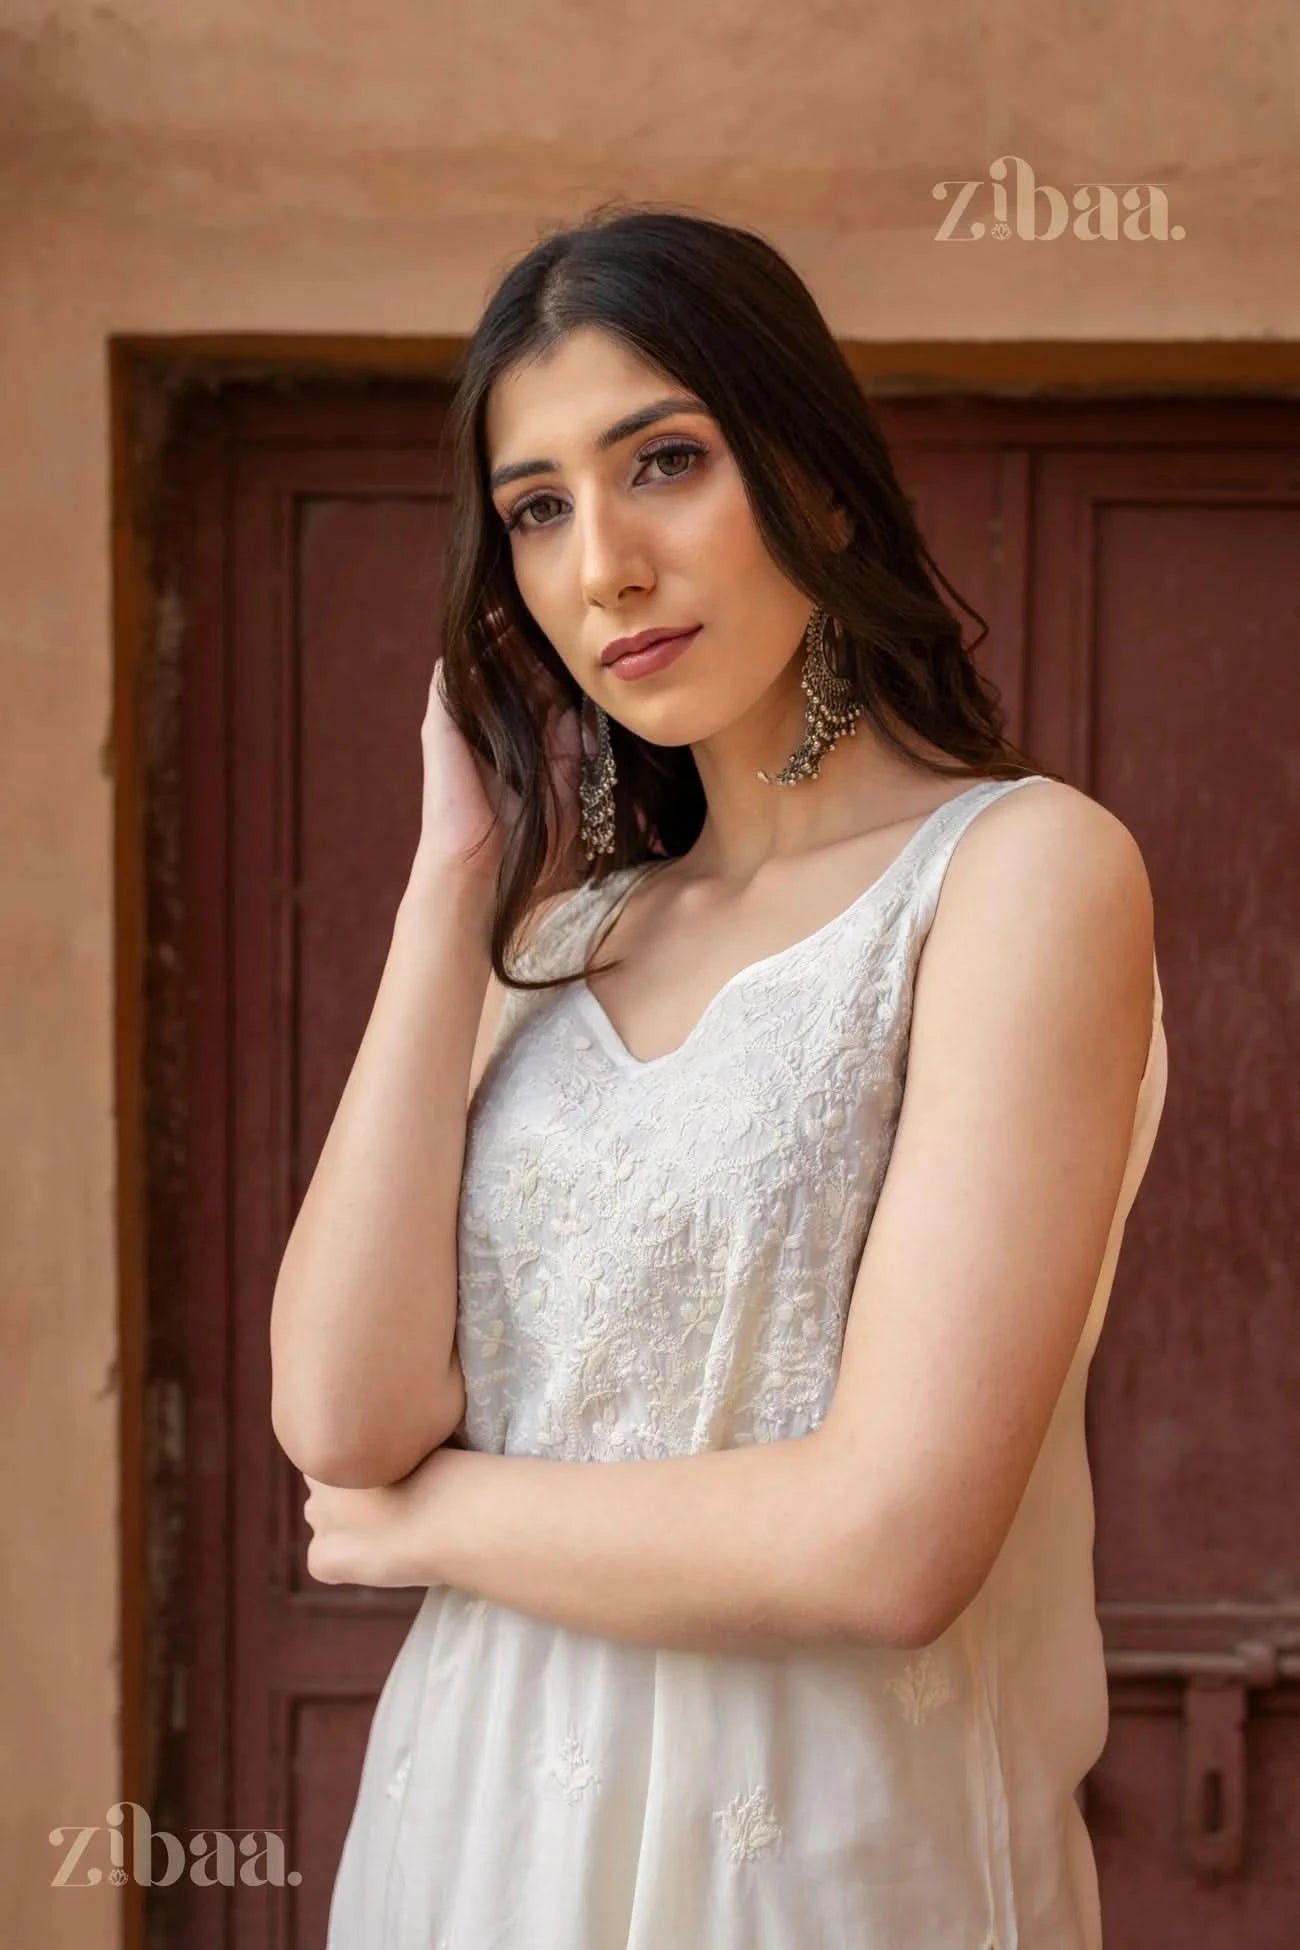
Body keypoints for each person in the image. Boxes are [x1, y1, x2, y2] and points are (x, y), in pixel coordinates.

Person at [272, 203, 1167, 1949]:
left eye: (661, 462)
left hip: (820, 1864)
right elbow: (336, 1415)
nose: (601, 562)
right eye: (538, 508)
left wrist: (436, 1521)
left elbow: (888, 1541)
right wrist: (448, 885)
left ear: (818, 482)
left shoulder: (1020, 874)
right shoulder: (553, 937)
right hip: (466, 1847)